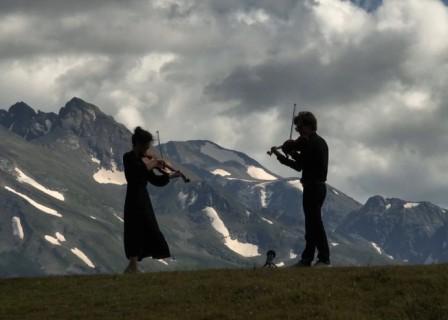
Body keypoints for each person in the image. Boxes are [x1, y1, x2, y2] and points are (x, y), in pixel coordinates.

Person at [271, 111, 330, 267]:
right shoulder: (316, 142)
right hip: (314, 187)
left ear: (309, 126)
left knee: (315, 224)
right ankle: (307, 259)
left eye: (300, 127)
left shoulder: (314, 143)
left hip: (314, 187)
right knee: (311, 225)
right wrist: (286, 154)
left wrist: (287, 153)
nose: (298, 131)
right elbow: (301, 164)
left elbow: (300, 164)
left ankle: (324, 258)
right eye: (297, 128)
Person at [122, 126, 178, 273]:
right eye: (146, 147)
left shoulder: (144, 161)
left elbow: (155, 181)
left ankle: (132, 267)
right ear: (139, 144)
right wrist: (153, 163)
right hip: (133, 198)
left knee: (149, 228)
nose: (147, 150)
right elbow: (134, 175)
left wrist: (169, 176)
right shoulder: (128, 158)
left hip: (143, 198)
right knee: (133, 230)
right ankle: (133, 266)